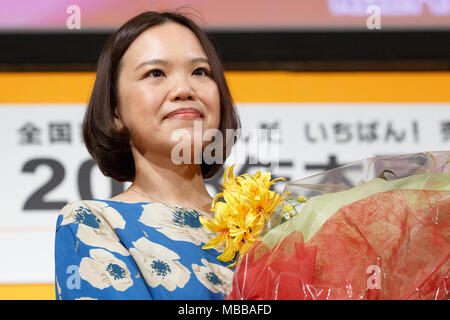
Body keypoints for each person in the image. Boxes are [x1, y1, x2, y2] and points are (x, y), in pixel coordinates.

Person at [54, 11, 241, 300]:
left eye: (200, 72)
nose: (183, 89)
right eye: (155, 73)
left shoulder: (266, 225)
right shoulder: (93, 222)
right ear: (115, 111)